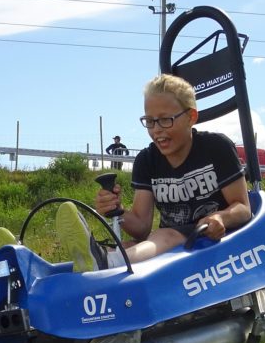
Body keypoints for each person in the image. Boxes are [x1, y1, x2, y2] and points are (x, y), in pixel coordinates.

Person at [56, 73, 250, 272]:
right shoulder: (147, 160)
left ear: (191, 117)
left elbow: (243, 208)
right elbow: (141, 228)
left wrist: (220, 217)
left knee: (163, 236)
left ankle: (106, 264)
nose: (156, 129)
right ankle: (86, 265)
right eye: (149, 121)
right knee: (128, 247)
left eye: (165, 120)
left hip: (215, 241)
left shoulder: (216, 147)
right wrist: (117, 209)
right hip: (170, 245)